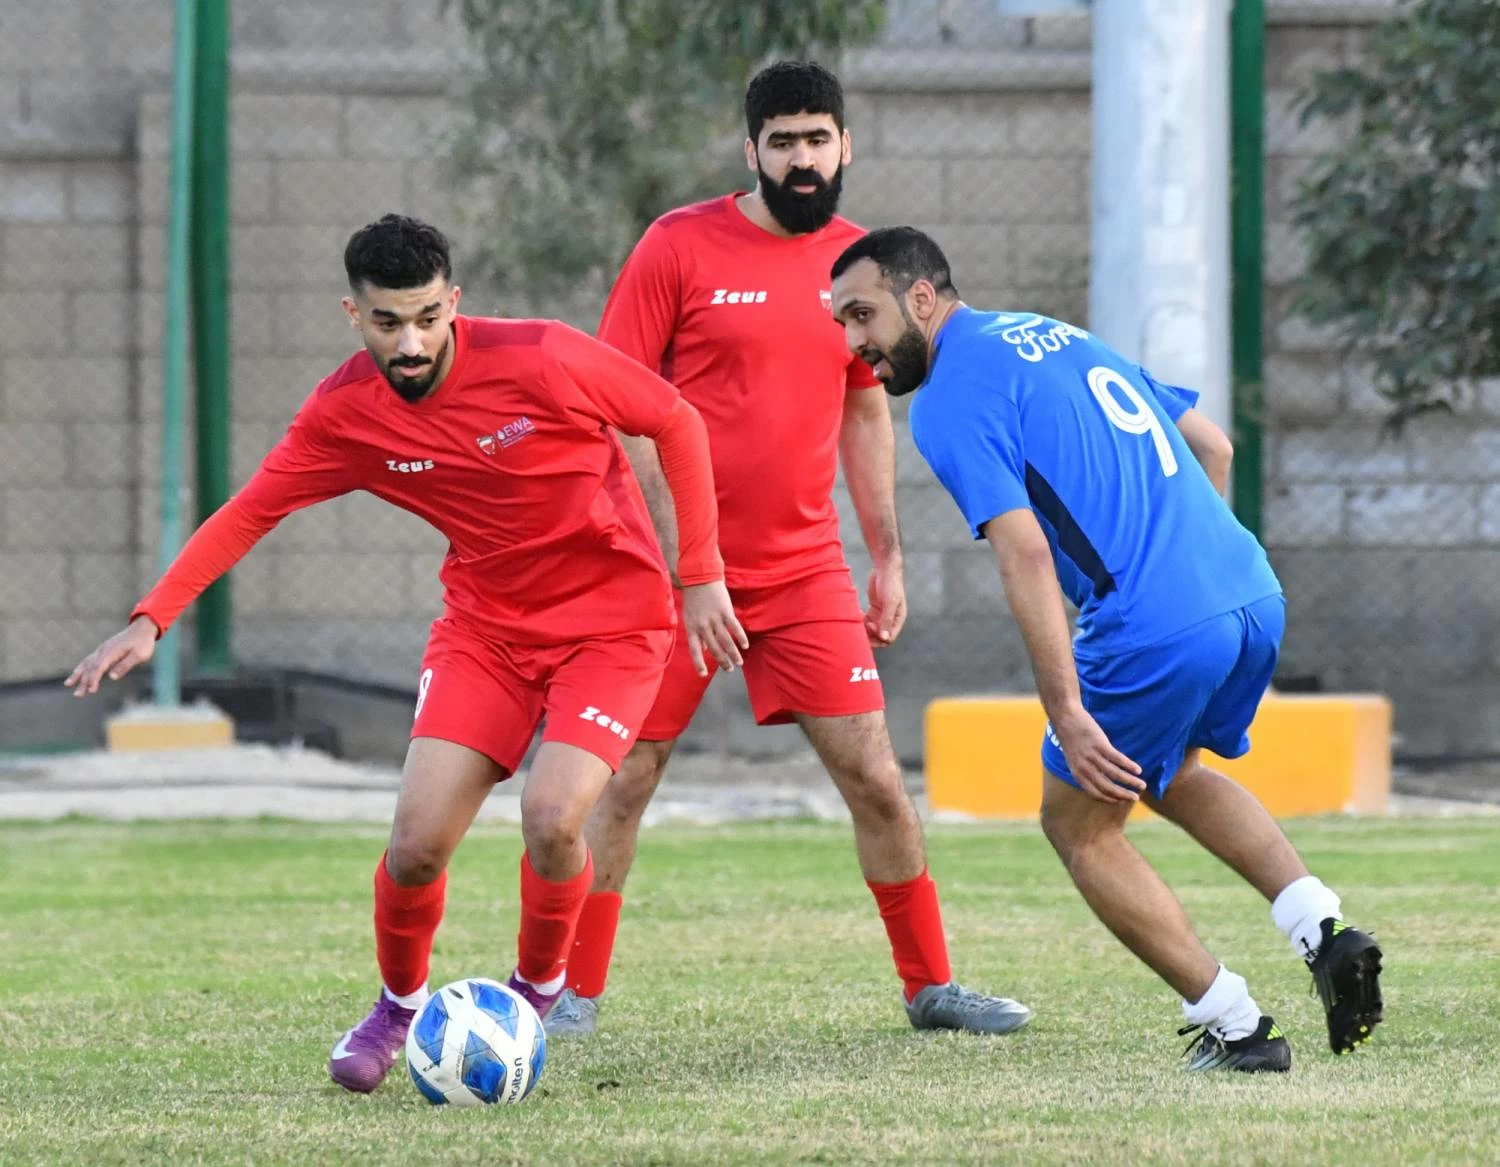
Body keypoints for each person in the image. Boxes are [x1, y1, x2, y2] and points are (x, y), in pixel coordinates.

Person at [65, 214, 745, 1094]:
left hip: (612, 627)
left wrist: (702, 575)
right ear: (354, 314)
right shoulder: (346, 412)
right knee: (417, 844)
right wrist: (153, 617)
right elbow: (251, 509)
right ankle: (396, 1006)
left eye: (427, 316)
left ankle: (533, 993)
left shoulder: (543, 357)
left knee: (553, 818)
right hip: (486, 632)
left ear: (454, 301)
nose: (412, 341)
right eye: (389, 323)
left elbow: (677, 419)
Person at [547, 62, 1031, 1040]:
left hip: (805, 571)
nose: (802, 158)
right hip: (667, 578)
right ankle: (565, 994)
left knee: (877, 780)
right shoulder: (676, 248)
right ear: (752, 152)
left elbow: (863, 410)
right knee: (626, 776)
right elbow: (619, 412)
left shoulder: (861, 268)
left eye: (818, 139)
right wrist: (691, 561)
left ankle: (930, 986)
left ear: (846, 146)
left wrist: (885, 556)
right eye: (783, 142)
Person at [828, 226, 1385, 1072]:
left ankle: (1237, 1026)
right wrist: (1189, 560)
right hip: (1248, 589)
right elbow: (1214, 445)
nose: (853, 341)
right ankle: (1324, 929)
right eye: (841, 321)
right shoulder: (1058, 333)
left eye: (862, 314)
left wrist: (1068, 710)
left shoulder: (946, 400)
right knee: (1170, 772)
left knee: (1079, 824)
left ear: (921, 297)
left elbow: (1022, 552)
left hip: (1157, 626)